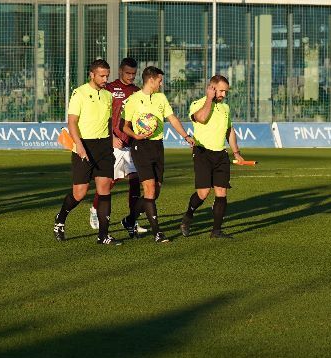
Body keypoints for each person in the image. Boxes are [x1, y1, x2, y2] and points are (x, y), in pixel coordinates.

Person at [121, 65, 197, 243]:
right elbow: (124, 126)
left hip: (157, 147)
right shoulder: (133, 100)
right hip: (140, 146)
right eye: (160, 80)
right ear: (151, 80)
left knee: (155, 193)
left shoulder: (161, 98)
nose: (161, 84)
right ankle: (157, 233)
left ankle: (129, 220)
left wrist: (186, 136)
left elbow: (172, 119)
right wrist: (136, 135)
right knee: (149, 189)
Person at [54, 59, 120, 246]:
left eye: (107, 75)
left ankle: (103, 235)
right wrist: (79, 145)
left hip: (104, 147)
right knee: (80, 193)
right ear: (92, 74)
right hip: (84, 146)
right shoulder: (79, 93)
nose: (105, 79)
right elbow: (72, 122)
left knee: (105, 188)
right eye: (101, 75)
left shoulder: (108, 96)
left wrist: (112, 137)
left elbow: (108, 122)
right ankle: (60, 219)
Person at [181, 74, 246, 239]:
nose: (224, 95)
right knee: (203, 193)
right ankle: (188, 215)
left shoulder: (225, 108)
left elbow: (229, 130)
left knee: (221, 192)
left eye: (226, 92)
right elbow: (201, 119)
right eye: (221, 91)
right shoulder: (197, 104)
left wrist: (236, 153)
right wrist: (209, 99)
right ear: (211, 88)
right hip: (202, 152)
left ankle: (216, 231)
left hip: (221, 154)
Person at [104, 57, 146, 237]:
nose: (131, 77)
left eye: (134, 74)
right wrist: (111, 137)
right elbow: (102, 115)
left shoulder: (137, 92)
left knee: (135, 180)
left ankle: (132, 219)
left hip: (131, 144)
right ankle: (95, 209)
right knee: (109, 182)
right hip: (114, 143)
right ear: (120, 71)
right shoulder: (109, 89)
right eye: (128, 73)